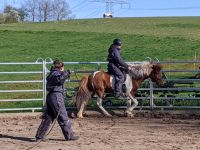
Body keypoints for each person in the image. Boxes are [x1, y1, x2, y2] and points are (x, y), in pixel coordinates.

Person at [35, 60, 79, 141]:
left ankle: (40, 136)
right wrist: (66, 73)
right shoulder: (56, 74)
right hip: (56, 96)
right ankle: (69, 136)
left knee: (48, 117)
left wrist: (64, 73)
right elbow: (59, 79)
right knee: (63, 115)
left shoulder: (52, 73)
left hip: (51, 96)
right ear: (61, 67)